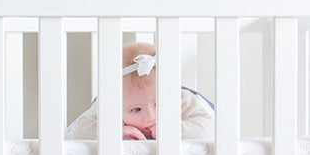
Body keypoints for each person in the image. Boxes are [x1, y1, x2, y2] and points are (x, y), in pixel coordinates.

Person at [65, 41, 215, 140]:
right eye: (136, 109)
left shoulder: (184, 100)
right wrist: (116, 132)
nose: (150, 117)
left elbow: (210, 129)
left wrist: (171, 130)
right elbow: (78, 132)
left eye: (158, 104)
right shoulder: (112, 104)